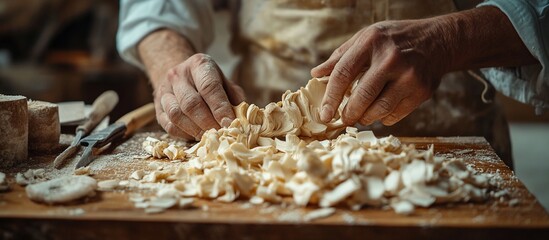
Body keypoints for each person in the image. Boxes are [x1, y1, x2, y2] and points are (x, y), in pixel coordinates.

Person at [117, 0, 548, 168]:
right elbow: (159, 9)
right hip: (263, 162)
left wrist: (450, 40)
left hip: (453, 150)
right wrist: (171, 65)